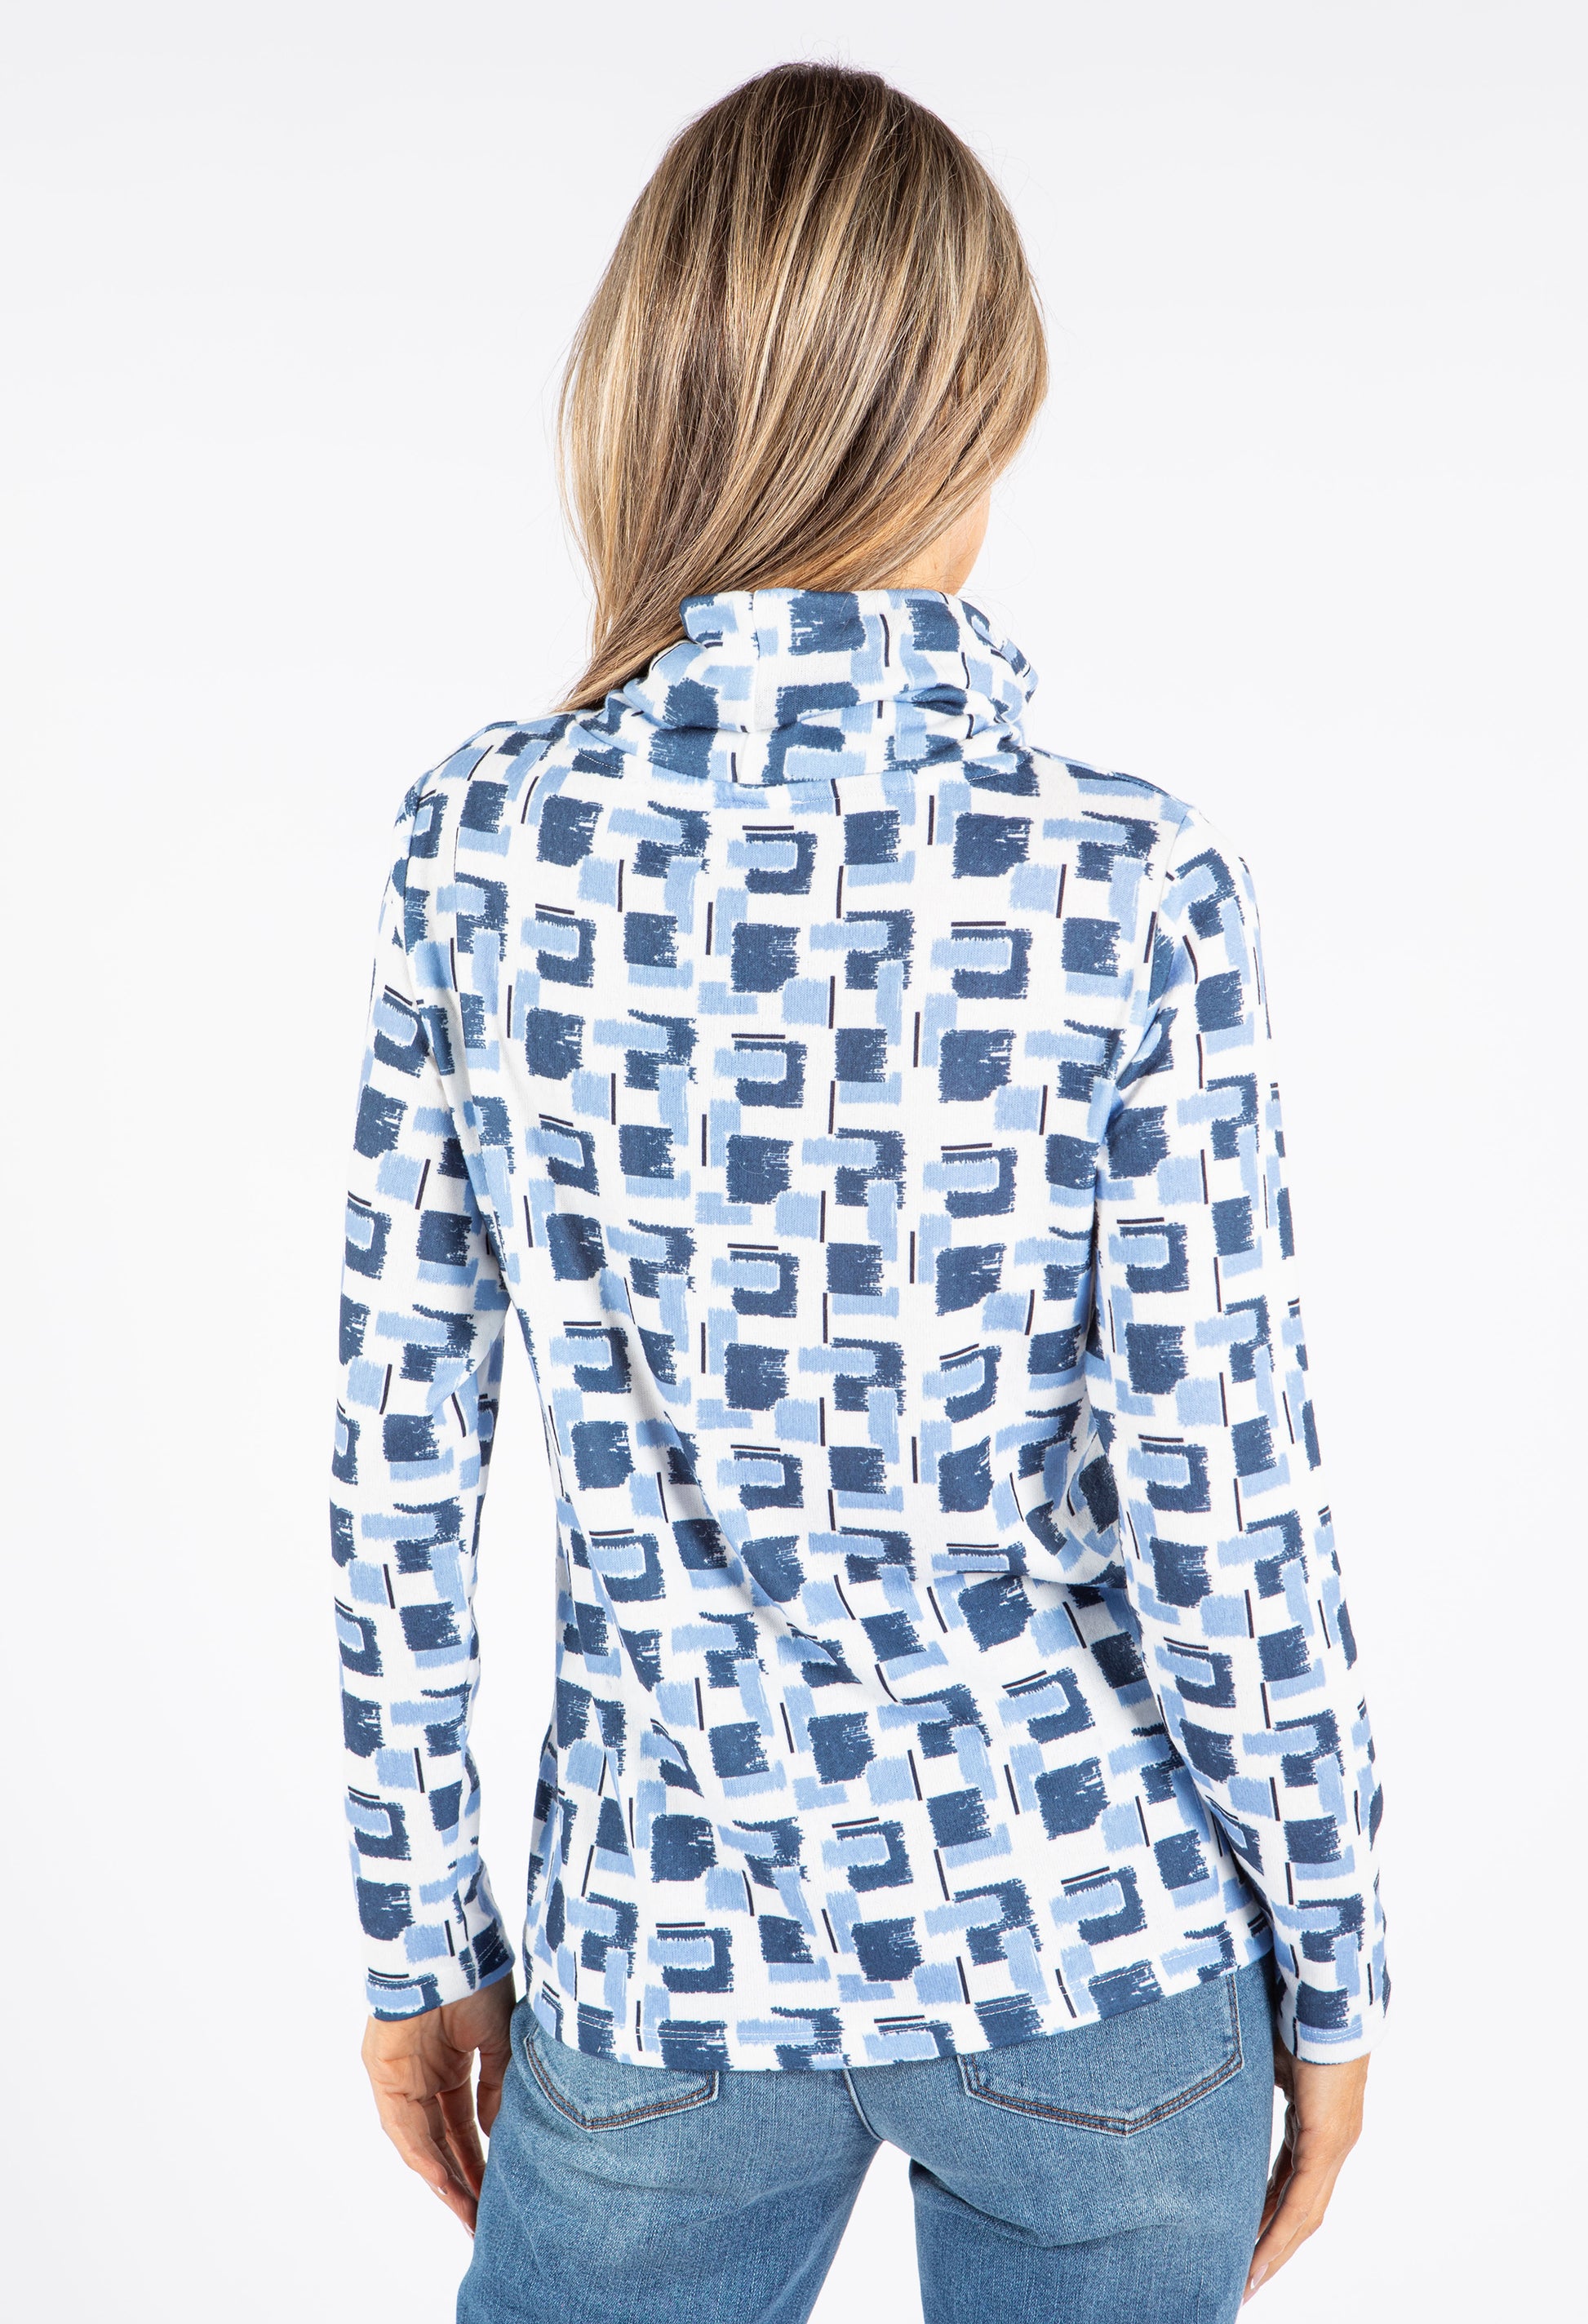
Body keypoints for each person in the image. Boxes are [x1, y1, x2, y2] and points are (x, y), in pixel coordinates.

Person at [329, 61, 1388, 2324]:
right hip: (1090, 1944)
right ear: (979, 414)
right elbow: (1224, 1493)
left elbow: (398, 1464)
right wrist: (1331, 1959)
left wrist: (418, 1935)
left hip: (664, 1955)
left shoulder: (483, 846)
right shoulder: (1125, 877)